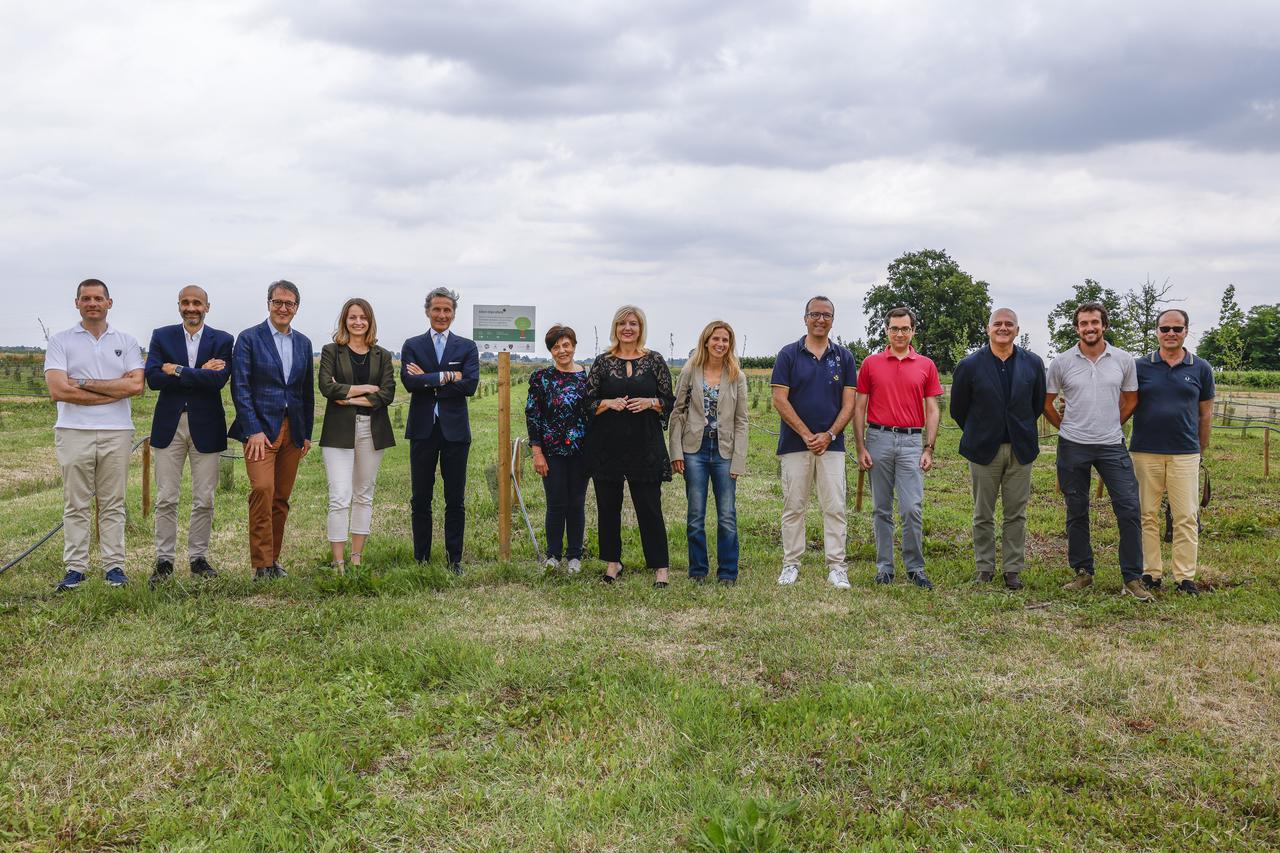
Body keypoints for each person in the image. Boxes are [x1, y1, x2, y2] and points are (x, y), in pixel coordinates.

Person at [1044, 301, 1151, 600]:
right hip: (1073, 445)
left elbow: (1131, 399)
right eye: (1083, 323)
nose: (1089, 328)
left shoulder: (1123, 359)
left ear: (1104, 325)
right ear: (1077, 327)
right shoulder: (1062, 362)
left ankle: (1132, 577)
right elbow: (1046, 401)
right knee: (1076, 510)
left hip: (1111, 445)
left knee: (1129, 509)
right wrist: (1063, 427)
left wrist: (1110, 423)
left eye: (1094, 322)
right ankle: (1083, 572)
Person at [43, 279, 145, 591]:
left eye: (98, 298)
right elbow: (58, 390)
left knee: (113, 502)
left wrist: (83, 383)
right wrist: (112, 388)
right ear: (77, 303)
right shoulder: (61, 342)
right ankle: (75, 568)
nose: (92, 303)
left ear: (109, 303)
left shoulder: (126, 341)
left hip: (117, 432)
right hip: (74, 431)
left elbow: (135, 386)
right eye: (86, 298)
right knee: (76, 503)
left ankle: (115, 567)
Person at [949, 308, 1047, 590]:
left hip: (1021, 448)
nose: (1003, 328)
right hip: (983, 449)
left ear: (1017, 330)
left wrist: (1019, 427)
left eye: (1009, 324)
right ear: (988, 329)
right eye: (997, 324)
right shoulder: (969, 365)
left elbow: (1037, 403)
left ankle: (1012, 569)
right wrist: (981, 429)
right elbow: (958, 409)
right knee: (983, 513)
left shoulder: (1033, 363)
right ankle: (985, 567)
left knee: (1016, 512)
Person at [144, 285, 234, 585]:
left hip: (206, 425)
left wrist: (177, 370)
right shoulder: (162, 335)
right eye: (186, 302)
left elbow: (218, 381)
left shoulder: (222, 340)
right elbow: (154, 379)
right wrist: (198, 372)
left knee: (204, 498)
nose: (191, 307)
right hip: (169, 425)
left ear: (207, 306)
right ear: (179, 305)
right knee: (166, 497)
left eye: (197, 303)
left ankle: (198, 557)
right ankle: (164, 560)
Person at [228, 280, 314, 580]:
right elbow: (240, 387)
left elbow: (305, 392)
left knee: (281, 497)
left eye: (289, 304)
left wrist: (306, 433)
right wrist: (252, 429)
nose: (283, 308)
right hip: (260, 432)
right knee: (262, 490)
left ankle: (274, 561)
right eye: (278, 302)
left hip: (292, 431)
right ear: (268, 303)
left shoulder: (303, 343)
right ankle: (260, 564)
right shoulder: (249, 338)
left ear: (296, 308)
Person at [853, 307, 944, 590]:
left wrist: (928, 448)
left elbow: (932, 409)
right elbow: (859, 407)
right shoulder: (871, 363)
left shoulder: (926, 365)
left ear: (913, 331)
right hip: (878, 438)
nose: (900, 333)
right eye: (894, 328)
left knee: (911, 507)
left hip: (911, 442)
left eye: (905, 329)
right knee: (881, 508)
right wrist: (860, 447)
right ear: (886, 330)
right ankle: (884, 567)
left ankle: (915, 568)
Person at [585, 305, 675, 587]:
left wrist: (651, 402)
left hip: (644, 445)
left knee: (649, 507)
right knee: (608, 506)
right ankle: (613, 562)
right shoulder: (602, 362)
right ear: (615, 327)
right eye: (623, 323)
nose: (628, 328)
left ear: (641, 328)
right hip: (607, 446)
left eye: (633, 324)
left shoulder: (655, 361)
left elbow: (669, 401)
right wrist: (606, 403)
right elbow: (586, 403)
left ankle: (660, 566)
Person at [770, 296, 858, 589]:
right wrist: (807, 434)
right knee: (794, 506)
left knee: (834, 507)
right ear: (805, 317)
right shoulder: (788, 354)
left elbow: (849, 404)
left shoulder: (844, 357)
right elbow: (779, 400)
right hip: (796, 445)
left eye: (827, 315)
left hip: (831, 445)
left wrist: (830, 434)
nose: (821, 320)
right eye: (815, 314)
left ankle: (837, 566)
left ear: (833, 319)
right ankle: (791, 564)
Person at [1130, 309, 1215, 595]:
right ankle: (1150, 572)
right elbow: (1124, 403)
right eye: (1165, 328)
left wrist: (1199, 449)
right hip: (1145, 451)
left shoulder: (1201, 368)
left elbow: (1206, 413)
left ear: (1186, 332)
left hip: (1184, 453)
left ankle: (1184, 577)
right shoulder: (1139, 366)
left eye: (1177, 329)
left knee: (1186, 516)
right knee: (1147, 514)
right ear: (1156, 331)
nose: (1170, 334)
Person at [401, 286, 479, 574]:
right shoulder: (412, 345)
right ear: (427, 311)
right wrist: (448, 377)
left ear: (454, 314)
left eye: (447, 310)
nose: (442, 314)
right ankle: (421, 558)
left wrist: (429, 380)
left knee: (454, 499)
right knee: (421, 498)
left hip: (455, 432)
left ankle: (454, 559)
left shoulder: (466, 347)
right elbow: (410, 384)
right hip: (422, 429)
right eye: (437, 309)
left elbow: (469, 386)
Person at [318, 298, 396, 572]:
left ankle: (356, 557)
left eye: (363, 317)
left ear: (370, 321)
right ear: (345, 320)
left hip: (372, 431)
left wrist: (349, 397)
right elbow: (327, 388)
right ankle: (338, 561)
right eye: (352, 317)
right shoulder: (331, 351)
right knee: (340, 495)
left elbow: (387, 394)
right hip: (338, 431)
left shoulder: (383, 355)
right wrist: (365, 388)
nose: (358, 322)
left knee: (364, 494)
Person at [670, 320, 749, 585]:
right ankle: (698, 571)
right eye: (716, 339)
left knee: (727, 514)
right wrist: (676, 452)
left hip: (724, 451)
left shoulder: (736, 375)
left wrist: (738, 460)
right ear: (706, 341)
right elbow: (677, 412)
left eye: (725, 340)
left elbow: (742, 421)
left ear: (730, 344)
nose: (720, 344)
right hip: (695, 450)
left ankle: (727, 572)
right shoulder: (690, 371)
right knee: (695, 515)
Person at [525, 324, 590, 574]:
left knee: (577, 502)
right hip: (551, 452)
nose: (562, 350)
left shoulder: (588, 377)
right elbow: (533, 415)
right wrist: (537, 452)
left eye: (566, 345)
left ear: (573, 346)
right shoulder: (541, 378)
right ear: (551, 351)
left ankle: (574, 555)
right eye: (556, 346)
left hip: (581, 451)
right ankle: (553, 555)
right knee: (556, 503)